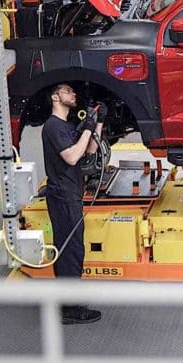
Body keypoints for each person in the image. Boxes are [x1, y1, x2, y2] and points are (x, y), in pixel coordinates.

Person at [42, 83, 106, 325]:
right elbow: (71, 156)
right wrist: (88, 128)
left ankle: (70, 300)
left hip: (71, 194)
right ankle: (69, 309)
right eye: (68, 91)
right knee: (70, 251)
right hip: (62, 197)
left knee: (74, 249)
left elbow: (88, 150)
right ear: (55, 96)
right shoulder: (53, 126)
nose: (73, 94)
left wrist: (98, 122)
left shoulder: (66, 127)